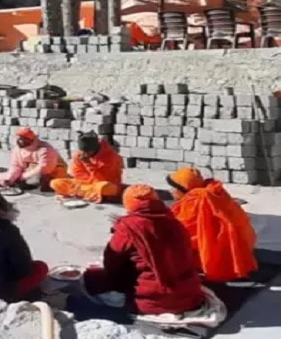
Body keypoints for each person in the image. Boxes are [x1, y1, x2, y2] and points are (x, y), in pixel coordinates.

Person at [81, 185, 206, 316]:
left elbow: (112, 261)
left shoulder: (128, 227)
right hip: (190, 291)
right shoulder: (175, 221)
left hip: (156, 297)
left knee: (91, 278)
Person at [167, 167, 258, 282]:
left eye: (173, 188)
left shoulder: (196, 201)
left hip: (220, 252)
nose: (170, 191)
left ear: (183, 189)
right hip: (244, 243)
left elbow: (185, 233)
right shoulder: (216, 193)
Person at [50, 132, 123, 203]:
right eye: (83, 151)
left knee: (105, 187)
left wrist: (88, 164)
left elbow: (102, 180)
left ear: (95, 149)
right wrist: (83, 184)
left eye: (88, 152)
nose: (84, 154)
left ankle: (85, 194)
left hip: (105, 184)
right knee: (55, 183)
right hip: (86, 185)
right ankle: (88, 194)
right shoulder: (80, 154)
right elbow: (77, 174)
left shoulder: (110, 156)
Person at [0, 127, 67, 190]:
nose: (21, 141)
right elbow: (16, 165)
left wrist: (22, 177)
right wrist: (10, 178)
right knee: (1, 178)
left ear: (32, 140)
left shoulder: (46, 149)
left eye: (24, 139)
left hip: (51, 174)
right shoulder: (18, 149)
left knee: (37, 179)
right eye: (20, 139)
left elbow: (44, 169)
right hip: (27, 174)